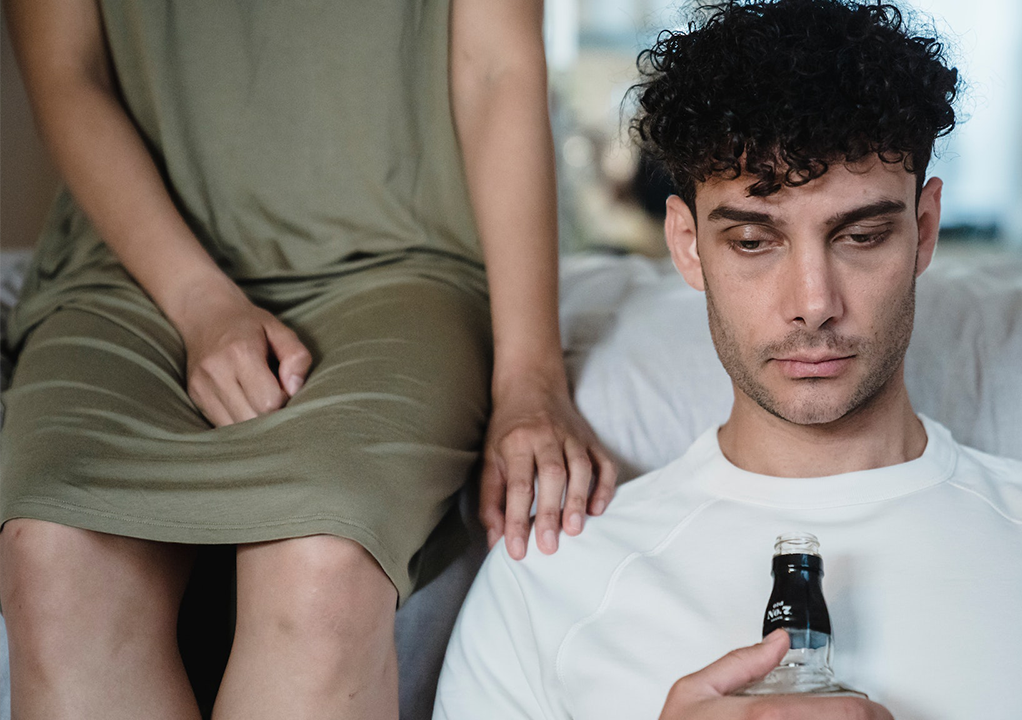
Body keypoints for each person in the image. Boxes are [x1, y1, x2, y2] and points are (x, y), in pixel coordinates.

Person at [432, 1, 1022, 718]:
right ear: (686, 245)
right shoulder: (552, 584)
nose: (813, 303)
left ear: (924, 230)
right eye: (753, 241)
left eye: (861, 236)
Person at [0, 0, 617, 717]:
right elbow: (69, 74)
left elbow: (498, 67)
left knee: (322, 562)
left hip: (397, 262)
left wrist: (530, 377)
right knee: (53, 557)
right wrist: (200, 302)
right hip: (127, 271)